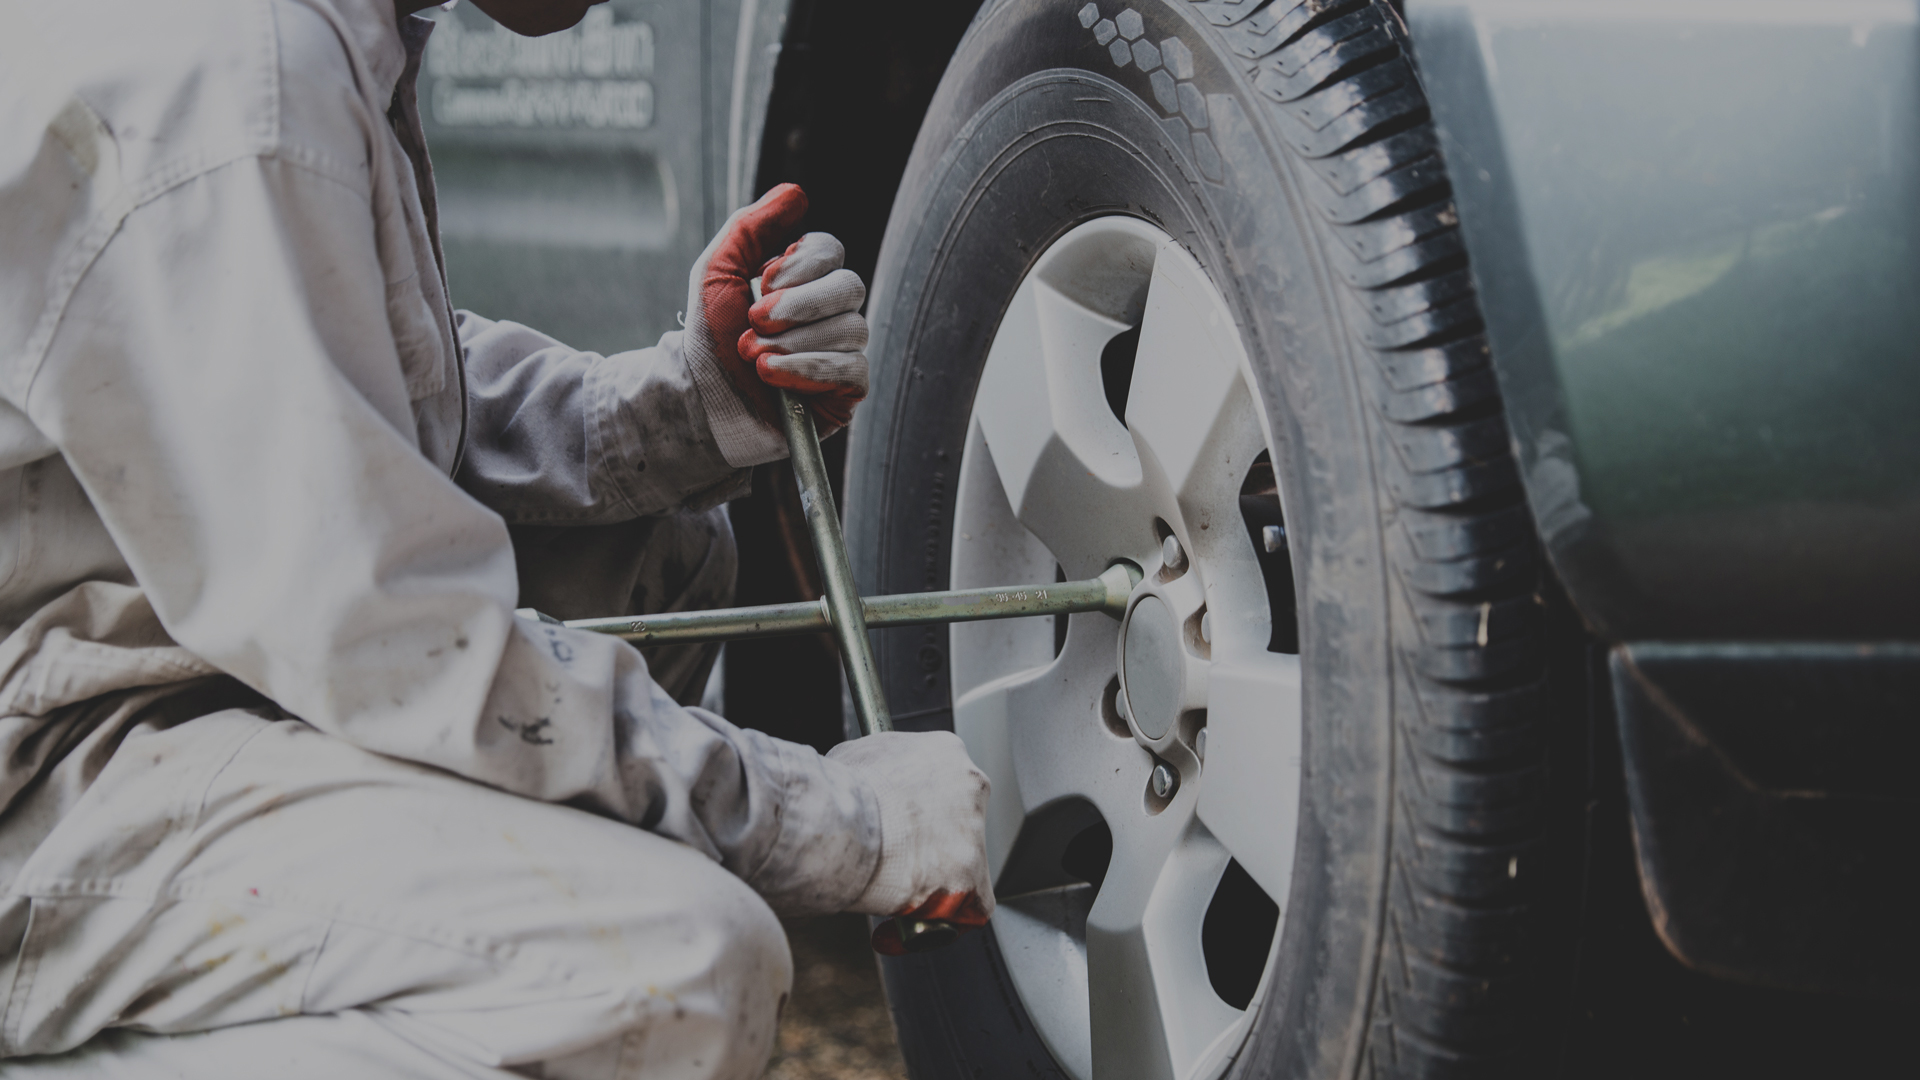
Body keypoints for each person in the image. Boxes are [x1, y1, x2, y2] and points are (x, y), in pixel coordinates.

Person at [0, 0, 993, 1075]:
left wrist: (685, 409)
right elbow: (394, 642)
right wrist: (846, 825)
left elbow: (342, 372)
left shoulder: (311, 36)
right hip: (46, 789)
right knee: (678, 972)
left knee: (665, 550)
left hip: (148, 669)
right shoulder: (230, 74)